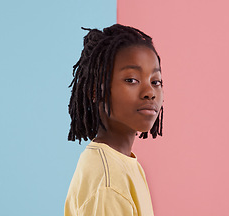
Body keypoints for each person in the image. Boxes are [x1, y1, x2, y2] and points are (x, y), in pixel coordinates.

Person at [64, 24, 164, 216]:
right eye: (131, 80)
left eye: (156, 81)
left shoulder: (123, 164)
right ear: (95, 91)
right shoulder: (109, 184)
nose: (150, 93)